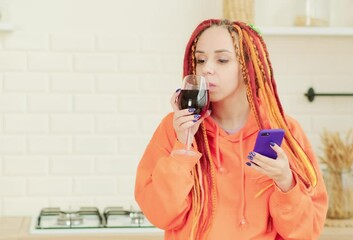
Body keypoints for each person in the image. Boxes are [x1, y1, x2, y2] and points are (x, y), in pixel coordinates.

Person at [135, 19, 328, 240]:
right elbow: (160, 215)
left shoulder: (284, 130)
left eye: (222, 60)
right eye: (200, 59)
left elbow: (306, 232)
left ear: (248, 67)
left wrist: (286, 182)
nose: (207, 69)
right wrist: (183, 147)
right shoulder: (176, 128)